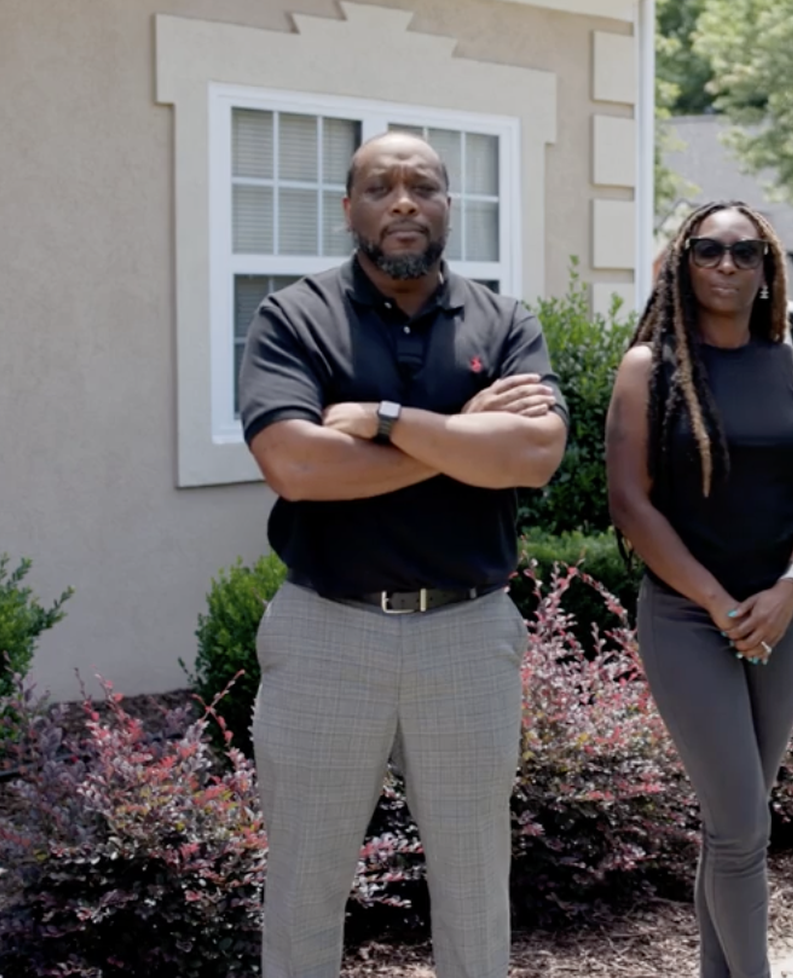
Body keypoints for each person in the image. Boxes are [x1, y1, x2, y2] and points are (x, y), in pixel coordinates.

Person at [238, 131, 567, 978]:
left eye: (423, 185)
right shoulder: (295, 317)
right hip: (326, 632)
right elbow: (298, 467)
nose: (404, 201)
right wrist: (466, 437)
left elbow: (533, 457)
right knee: (305, 886)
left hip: (467, 633)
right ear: (350, 210)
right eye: (380, 187)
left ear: (449, 207)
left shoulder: (504, 321)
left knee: (474, 886)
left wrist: (383, 420)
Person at [605, 200, 793, 978]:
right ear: (684, 263)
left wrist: (790, 591)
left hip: (779, 617)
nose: (727, 266)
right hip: (686, 618)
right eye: (709, 252)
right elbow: (630, 503)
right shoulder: (649, 369)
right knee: (741, 828)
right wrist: (714, 600)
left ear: (768, 266)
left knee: (734, 824)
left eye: (745, 253)